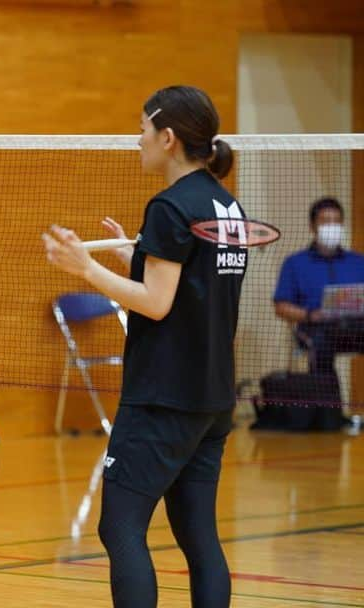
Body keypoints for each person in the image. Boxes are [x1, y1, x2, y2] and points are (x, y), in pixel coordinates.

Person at [44, 85, 242, 607]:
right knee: (200, 539)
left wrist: (84, 269)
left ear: (169, 138)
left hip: (163, 397)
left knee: (121, 528)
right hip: (213, 398)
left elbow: (156, 303)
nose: (138, 141)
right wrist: (135, 253)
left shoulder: (171, 206)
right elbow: (193, 285)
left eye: (143, 129)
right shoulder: (226, 204)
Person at [274, 197, 364, 402]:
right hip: (316, 329)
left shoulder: (359, 262)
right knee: (321, 342)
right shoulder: (295, 263)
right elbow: (281, 306)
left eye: (337, 221)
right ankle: (330, 412)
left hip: (357, 327)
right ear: (313, 226)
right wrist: (309, 314)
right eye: (325, 221)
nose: (332, 226)